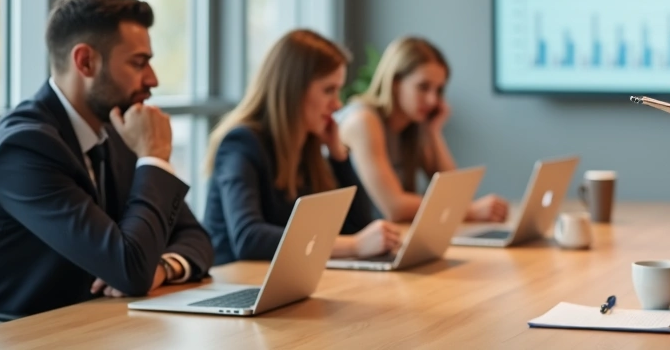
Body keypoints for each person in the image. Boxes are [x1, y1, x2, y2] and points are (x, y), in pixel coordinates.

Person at [0, 0, 213, 322]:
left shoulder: (114, 131)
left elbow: (194, 236)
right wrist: (154, 157)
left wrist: (161, 266)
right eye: (139, 62)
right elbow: (131, 270)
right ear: (85, 61)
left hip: (90, 326)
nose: (153, 79)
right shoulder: (22, 149)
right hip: (11, 337)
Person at [202, 29, 399, 264]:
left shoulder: (307, 145)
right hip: (235, 283)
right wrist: (354, 246)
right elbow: (249, 238)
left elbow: (357, 226)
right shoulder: (241, 143)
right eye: (328, 90)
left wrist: (339, 156)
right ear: (292, 90)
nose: (337, 104)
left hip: (280, 281)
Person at [337, 36, 507, 223]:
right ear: (395, 82)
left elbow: (455, 193)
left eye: (438, 90)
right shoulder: (363, 120)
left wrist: (433, 131)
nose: (432, 100)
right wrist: (469, 211)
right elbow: (395, 207)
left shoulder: (414, 125)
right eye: (423, 87)